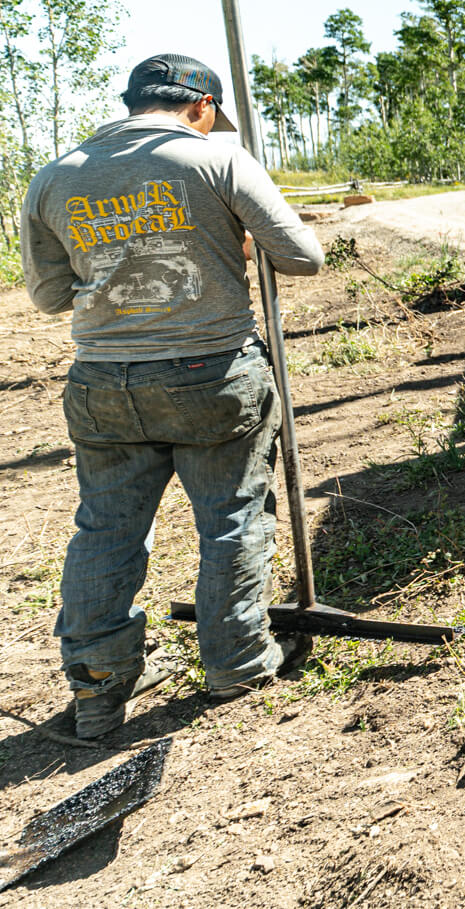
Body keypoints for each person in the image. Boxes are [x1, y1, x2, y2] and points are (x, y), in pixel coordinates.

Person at [20, 55, 325, 740]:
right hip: (210, 373)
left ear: (130, 103)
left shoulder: (56, 175)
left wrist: (114, 255)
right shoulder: (217, 161)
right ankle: (237, 662)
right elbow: (303, 257)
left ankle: (98, 692)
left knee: (105, 532)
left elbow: (46, 296)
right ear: (204, 107)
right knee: (232, 517)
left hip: (103, 382)